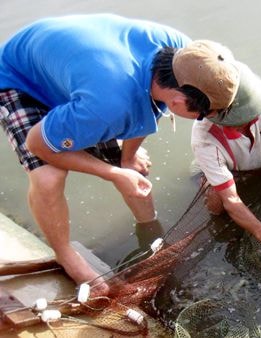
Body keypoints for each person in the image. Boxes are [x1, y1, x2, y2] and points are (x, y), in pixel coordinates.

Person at [0, 14, 240, 290]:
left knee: (133, 168)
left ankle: (149, 229)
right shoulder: (108, 106)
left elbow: (150, 108)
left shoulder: (191, 59)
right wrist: (113, 173)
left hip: (76, 72)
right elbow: (37, 144)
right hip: (18, 77)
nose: (202, 119)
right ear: (179, 100)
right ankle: (65, 254)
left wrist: (128, 159)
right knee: (48, 177)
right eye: (200, 115)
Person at [189, 40, 261, 276]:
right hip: (221, 173)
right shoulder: (204, 138)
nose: (248, 121)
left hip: (258, 165)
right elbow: (230, 199)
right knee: (217, 204)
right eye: (240, 119)